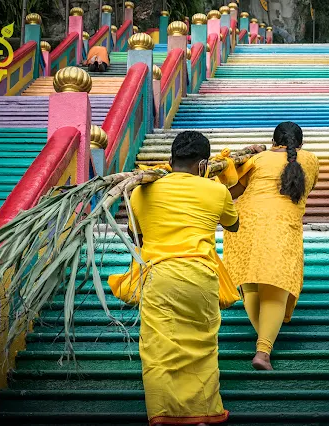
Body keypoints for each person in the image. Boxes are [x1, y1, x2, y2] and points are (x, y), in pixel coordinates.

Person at [112, 131, 239, 425]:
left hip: (159, 276)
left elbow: (136, 235)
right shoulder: (217, 191)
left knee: (158, 352)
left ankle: (162, 417)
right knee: (203, 349)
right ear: (204, 163)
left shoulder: (142, 190)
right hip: (200, 276)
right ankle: (204, 415)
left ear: (170, 160)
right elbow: (233, 225)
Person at [223, 121, 319, 371]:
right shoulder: (310, 160)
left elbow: (235, 191)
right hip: (282, 228)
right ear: (301, 144)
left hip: (246, 225)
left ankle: (264, 343)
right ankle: (263, 351)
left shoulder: (257, 160)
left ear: (273, 141)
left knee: (252, 285)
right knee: (276, 287)